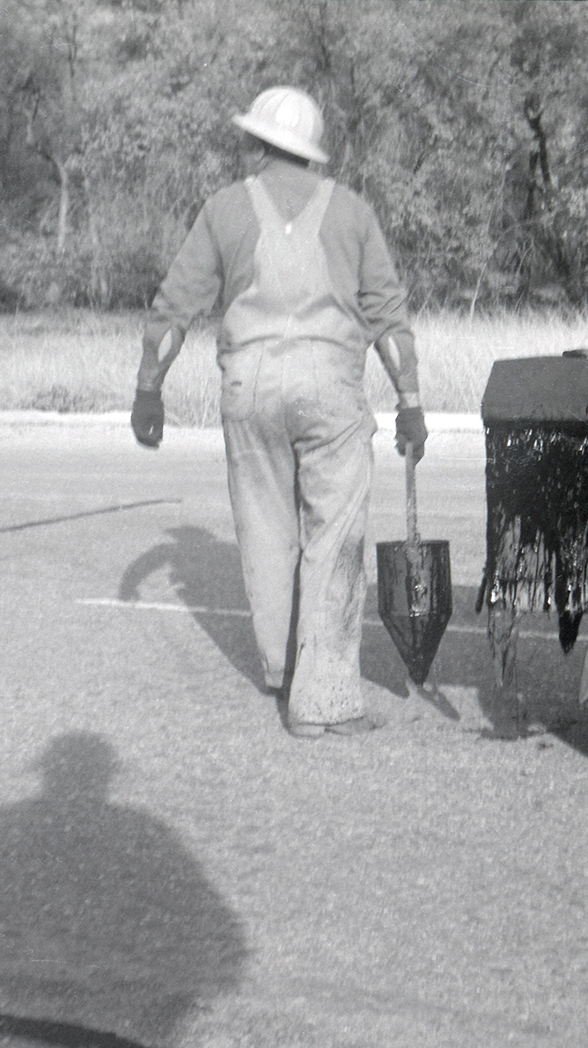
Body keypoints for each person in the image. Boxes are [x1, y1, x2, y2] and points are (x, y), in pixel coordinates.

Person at [131, 86, 426, 738]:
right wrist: (410, 404)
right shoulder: (351, 212)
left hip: (249, 385)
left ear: (258, 142)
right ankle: (322, 700)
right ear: (314, 152)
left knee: (266, 530)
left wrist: (149, 389)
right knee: (333, 537)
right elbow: (388, 320)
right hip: (330, 387)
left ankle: (282, 670)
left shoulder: (226, 209)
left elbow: (174, 309)